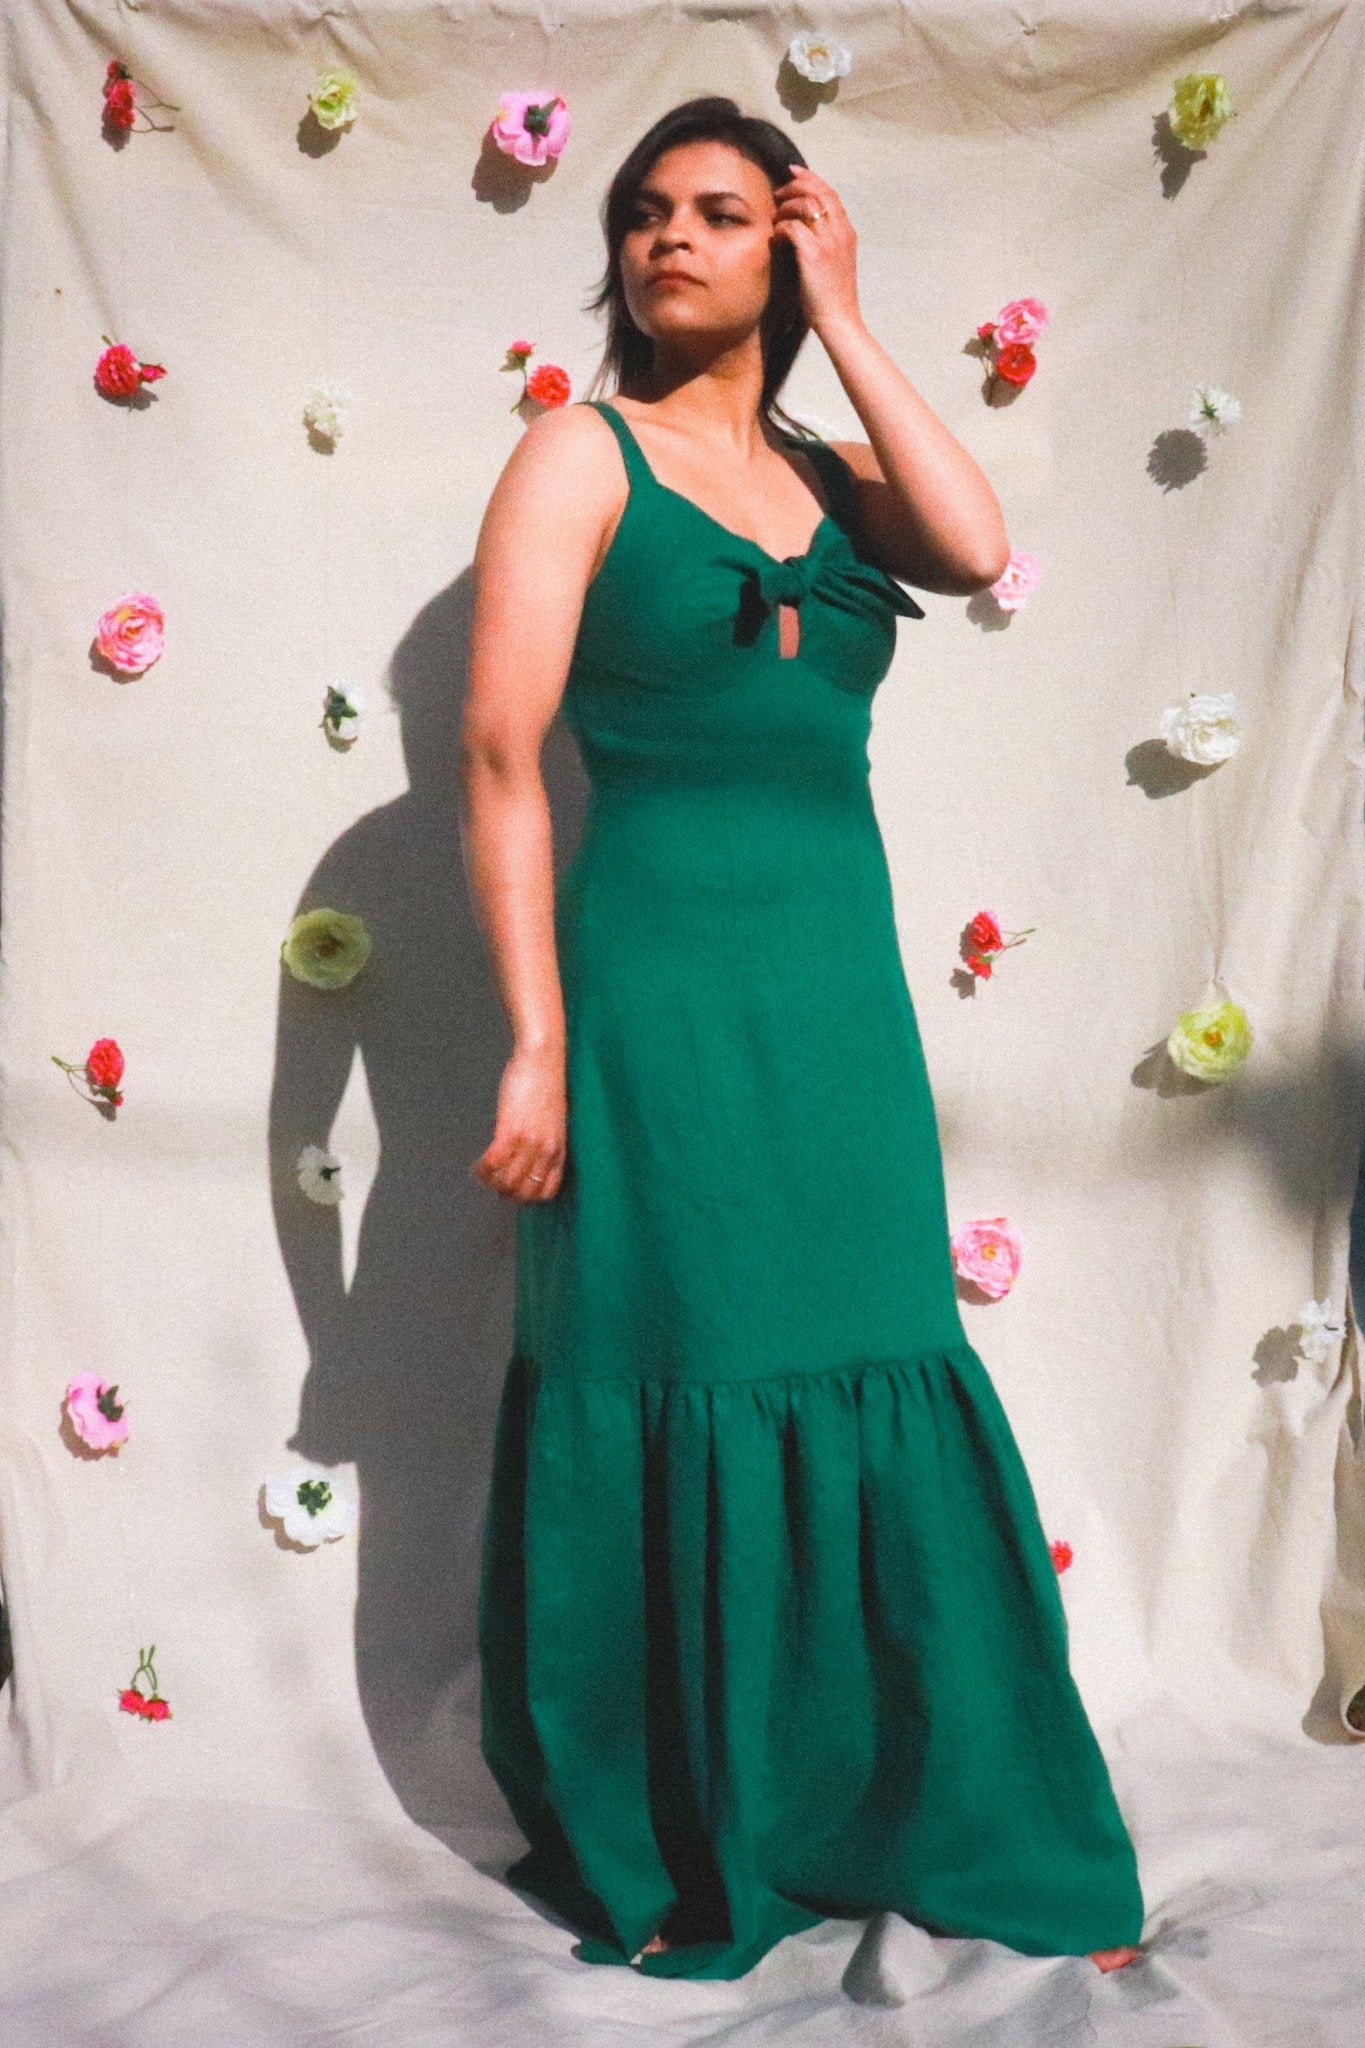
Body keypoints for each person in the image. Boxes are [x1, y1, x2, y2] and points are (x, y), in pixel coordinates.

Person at [458, 94, 1145, 1982]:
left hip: (834, 992)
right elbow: (500, 760)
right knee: (681, 1352)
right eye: (641, 213)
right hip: (653, 989)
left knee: (870, 1346)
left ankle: (911, 1807)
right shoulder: (575, 455)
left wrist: (843, 316)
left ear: (786, 235)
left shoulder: (837, 481)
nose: (668, 239)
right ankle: (701, 1824)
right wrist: (534, 1042)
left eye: (718, 211)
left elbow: (973, 543)